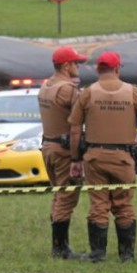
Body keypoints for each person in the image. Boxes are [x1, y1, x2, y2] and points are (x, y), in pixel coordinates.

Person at [69, 51, 137, 263]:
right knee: (124, 204)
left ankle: (98, 254)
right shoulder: (134, 93)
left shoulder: (87, 93)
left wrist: (75, 158)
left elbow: (74, 129)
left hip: (95, 157)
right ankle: (126, 256)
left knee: (98, 205)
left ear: (98, 70)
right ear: (118, 69)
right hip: (123, 157)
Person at [37, 45, 87, 259]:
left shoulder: (46, 85)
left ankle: (59, 245)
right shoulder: (67, 89)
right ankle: (60, 248)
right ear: (66, 66)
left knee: (58, 195)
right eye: (76, 63)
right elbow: (84, 115)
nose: (78, 67)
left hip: (48, 146)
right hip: (63, 149)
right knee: (67, 196)